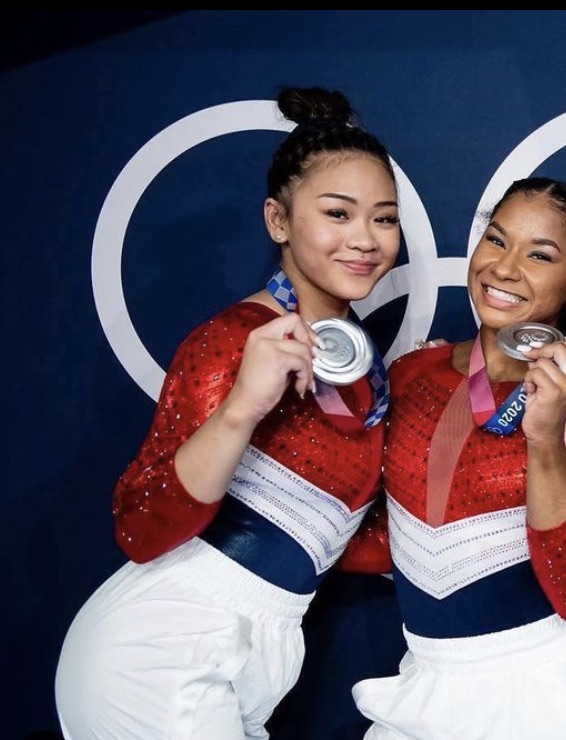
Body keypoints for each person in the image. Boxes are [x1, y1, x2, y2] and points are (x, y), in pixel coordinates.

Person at [55, 86, 400, 740]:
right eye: (338, 213)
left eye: (384, 218)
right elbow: (140, 526)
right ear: (278, 221)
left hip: (258, 654)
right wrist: (243, 406)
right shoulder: (233, 340)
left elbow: (334, 542)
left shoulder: (365, 368)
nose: (365, 239)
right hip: (161, 651)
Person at [349, 177, 566, 740]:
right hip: (425, 682)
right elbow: (380, 540)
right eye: (496, 240)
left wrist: (545, 438)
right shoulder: (413, 375)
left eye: (540, 255)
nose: (504, 268)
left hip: (552, 694)